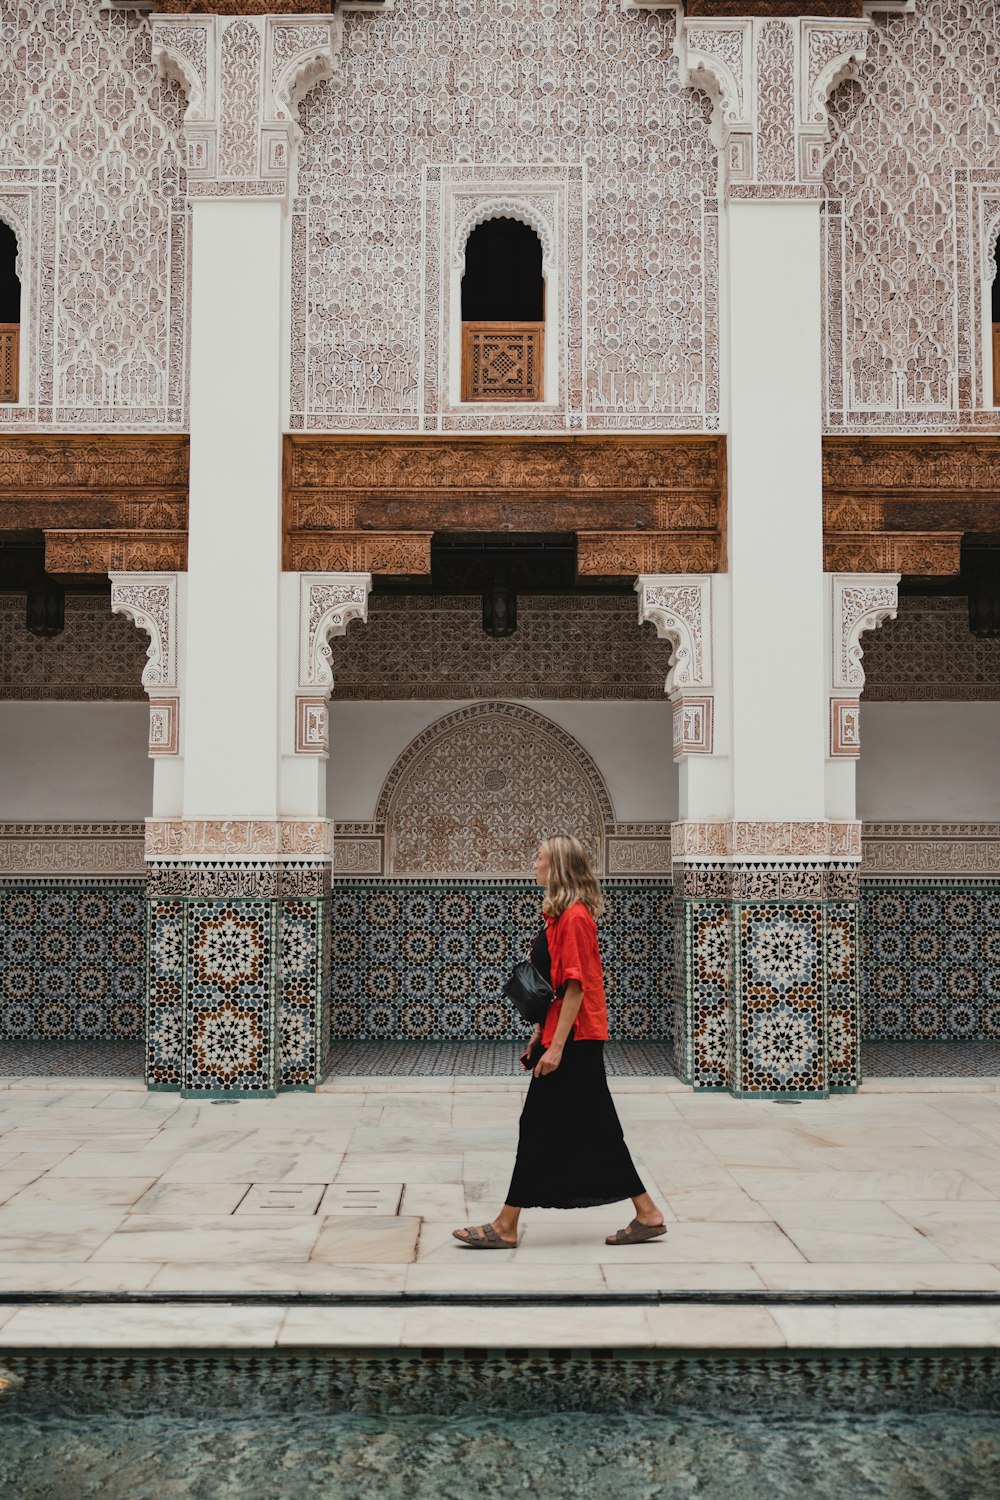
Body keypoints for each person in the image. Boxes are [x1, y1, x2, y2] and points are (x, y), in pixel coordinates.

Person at [453, 833, 666, 1249]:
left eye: (541, 858)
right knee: (596, 1127)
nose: (534, 864)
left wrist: (557, 1047)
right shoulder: (561, 916)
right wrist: (540, 1034)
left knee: (538, 1125)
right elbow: (554, 988)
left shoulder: (575, 919)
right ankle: (647, 1212)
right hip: (568, 1037)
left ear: (559, 868)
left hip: (578, 1041)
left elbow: (575, 988)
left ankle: (506, 1225)